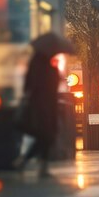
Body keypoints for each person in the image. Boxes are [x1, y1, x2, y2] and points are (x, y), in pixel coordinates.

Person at [13, 32, 75, 177]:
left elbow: (28, 87)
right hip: (46, 107)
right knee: (47, 135)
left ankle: (28, 162)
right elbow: (49, 89)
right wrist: (56, 76)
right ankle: (38, 164)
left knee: (44, 136)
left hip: (37, 106)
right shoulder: (48, 68)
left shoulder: (34, 66)